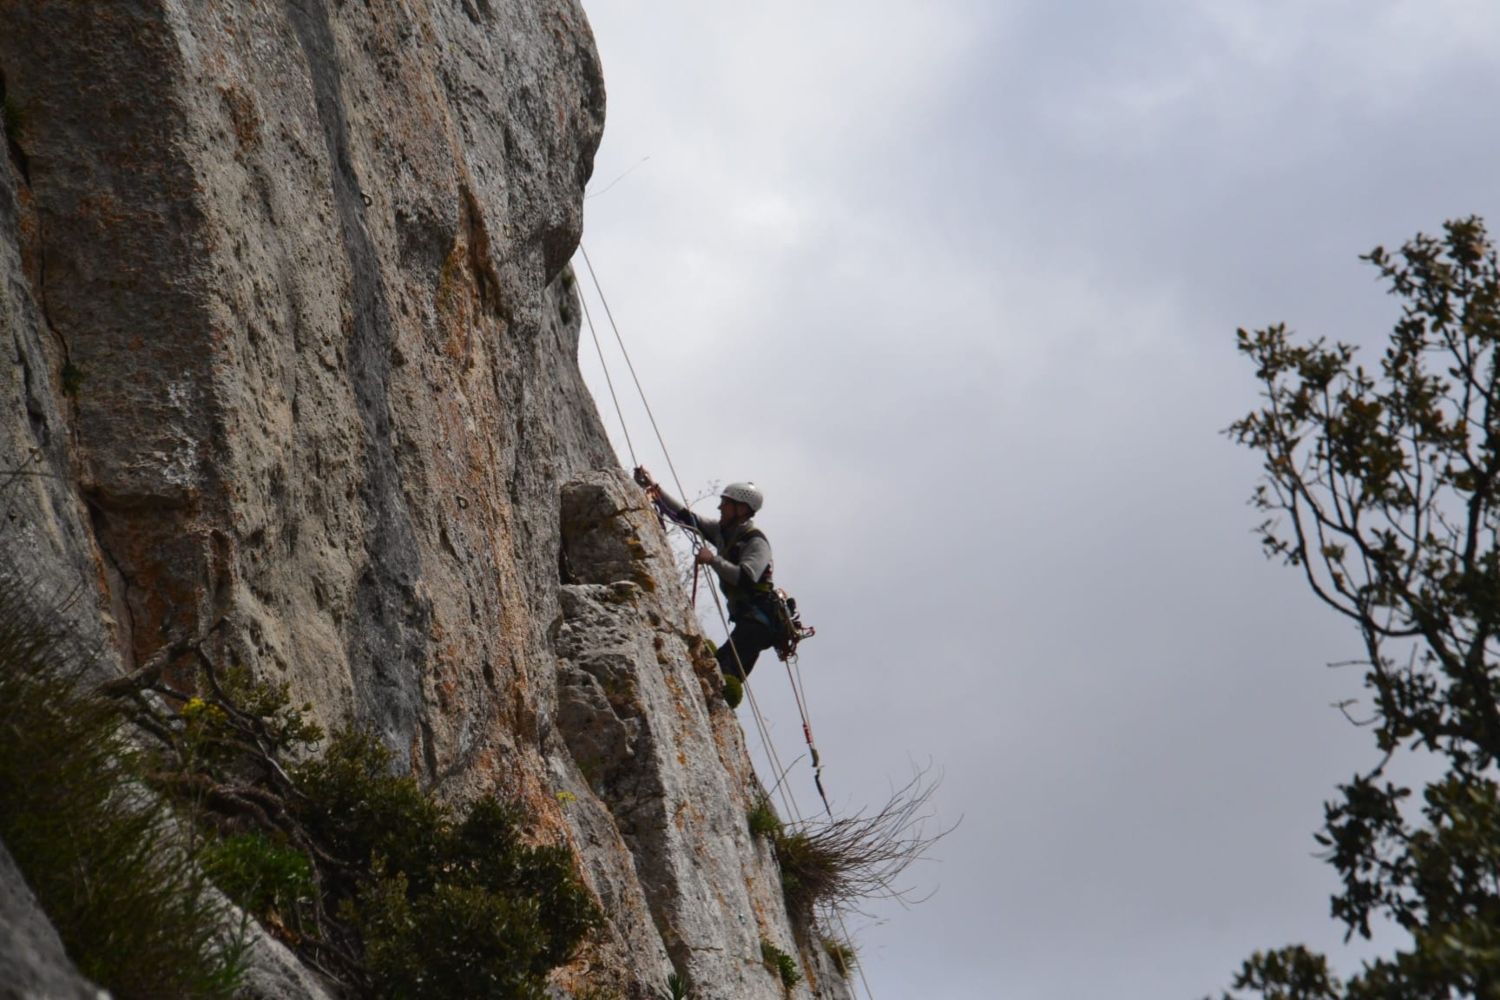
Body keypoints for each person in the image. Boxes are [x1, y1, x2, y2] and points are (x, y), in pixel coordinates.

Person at [633, 467, 776, 679]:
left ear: (742, 509)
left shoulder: (756, 541)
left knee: (724, 671)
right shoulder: (723, 532)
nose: (720, 507)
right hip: (748, 619)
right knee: (720, 669)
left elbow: (745, 578)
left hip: (759, 622)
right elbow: (687, 517)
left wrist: (713, 559)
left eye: (726, 504)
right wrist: (655, 489)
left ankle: (721, 699)